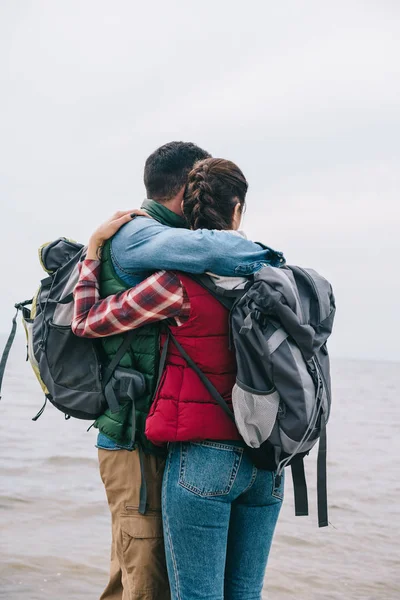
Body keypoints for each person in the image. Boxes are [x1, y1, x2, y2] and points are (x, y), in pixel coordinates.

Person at [72, 157, 284, 600]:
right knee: (245, 593)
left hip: (201, 454)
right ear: (238, 209)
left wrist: (93, 252)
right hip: (270, 457)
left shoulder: (173, 282)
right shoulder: (275, 277)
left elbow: (87, 321)